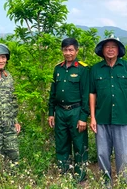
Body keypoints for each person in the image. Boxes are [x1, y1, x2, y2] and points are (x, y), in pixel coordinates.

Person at [89, 35, 127, 184]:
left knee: (123, 155)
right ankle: (106, 184)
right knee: (102, 154)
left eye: (113, 47)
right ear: (102, 50)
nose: (110, 50)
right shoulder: (96, 69)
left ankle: (125, 184)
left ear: (118, 50)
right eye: (107, 46)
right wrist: (92, 117)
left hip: (123, 118)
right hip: (102, 118)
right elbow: (92, 93)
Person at [48, 38, 90, 184]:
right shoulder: (57, 69)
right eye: (65, 50)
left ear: (76, 51)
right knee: (61, 143)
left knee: (79, 144)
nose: (68, 53)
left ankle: (80, 176)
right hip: (60, 112)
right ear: (62, 51)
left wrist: (84, 117)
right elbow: (52, 93)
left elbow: (86, 95)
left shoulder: (83, 69)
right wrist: (50, 112)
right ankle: (64, 173)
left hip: (76, 111)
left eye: (71, 50)